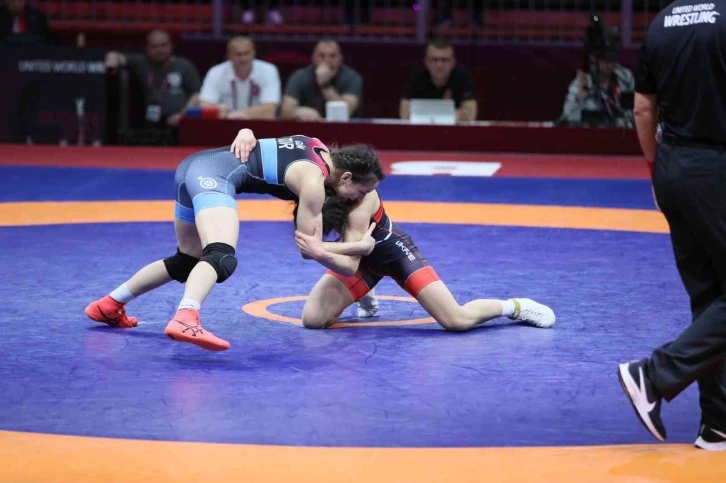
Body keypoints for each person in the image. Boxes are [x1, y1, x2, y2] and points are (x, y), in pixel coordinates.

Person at [84, 129, 385, 352]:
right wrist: (359, 247)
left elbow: (265, 148)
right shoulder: (314, 183)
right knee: (220, 256)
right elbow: (310, 248)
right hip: (213, 177)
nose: (359, 200)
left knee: (187, 260)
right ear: (346, 177)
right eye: (361, 192)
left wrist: (246, 131)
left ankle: (109, 304)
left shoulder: (315, 144)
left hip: (194, 166)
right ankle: (186, 316)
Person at [616, 0, 726, 451]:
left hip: (672, 166)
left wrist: (655, 170)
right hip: (716, 167)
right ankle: (654, 375)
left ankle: (717, 425)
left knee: (710, 296)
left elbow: (643, 109)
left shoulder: (663, 21)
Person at [293, 190, 556, 331]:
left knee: (456, 320)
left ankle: (514, 306)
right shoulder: (318, 186)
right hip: (359, 259)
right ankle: (364, 291)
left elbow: (345, 260)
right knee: (313, 320)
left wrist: (317, 249)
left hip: (394, 254)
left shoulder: (363, 195)